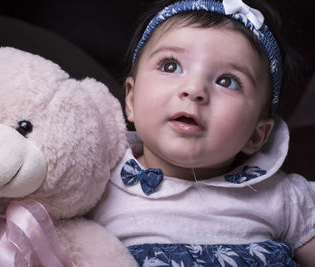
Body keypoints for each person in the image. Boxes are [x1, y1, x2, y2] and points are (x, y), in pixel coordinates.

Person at [89, 0, 315, 266]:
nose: (194, 89)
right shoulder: (96, 183)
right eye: (170, 66)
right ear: (131, 100)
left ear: (257, 135)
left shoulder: (284, 198)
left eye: (227, 81)